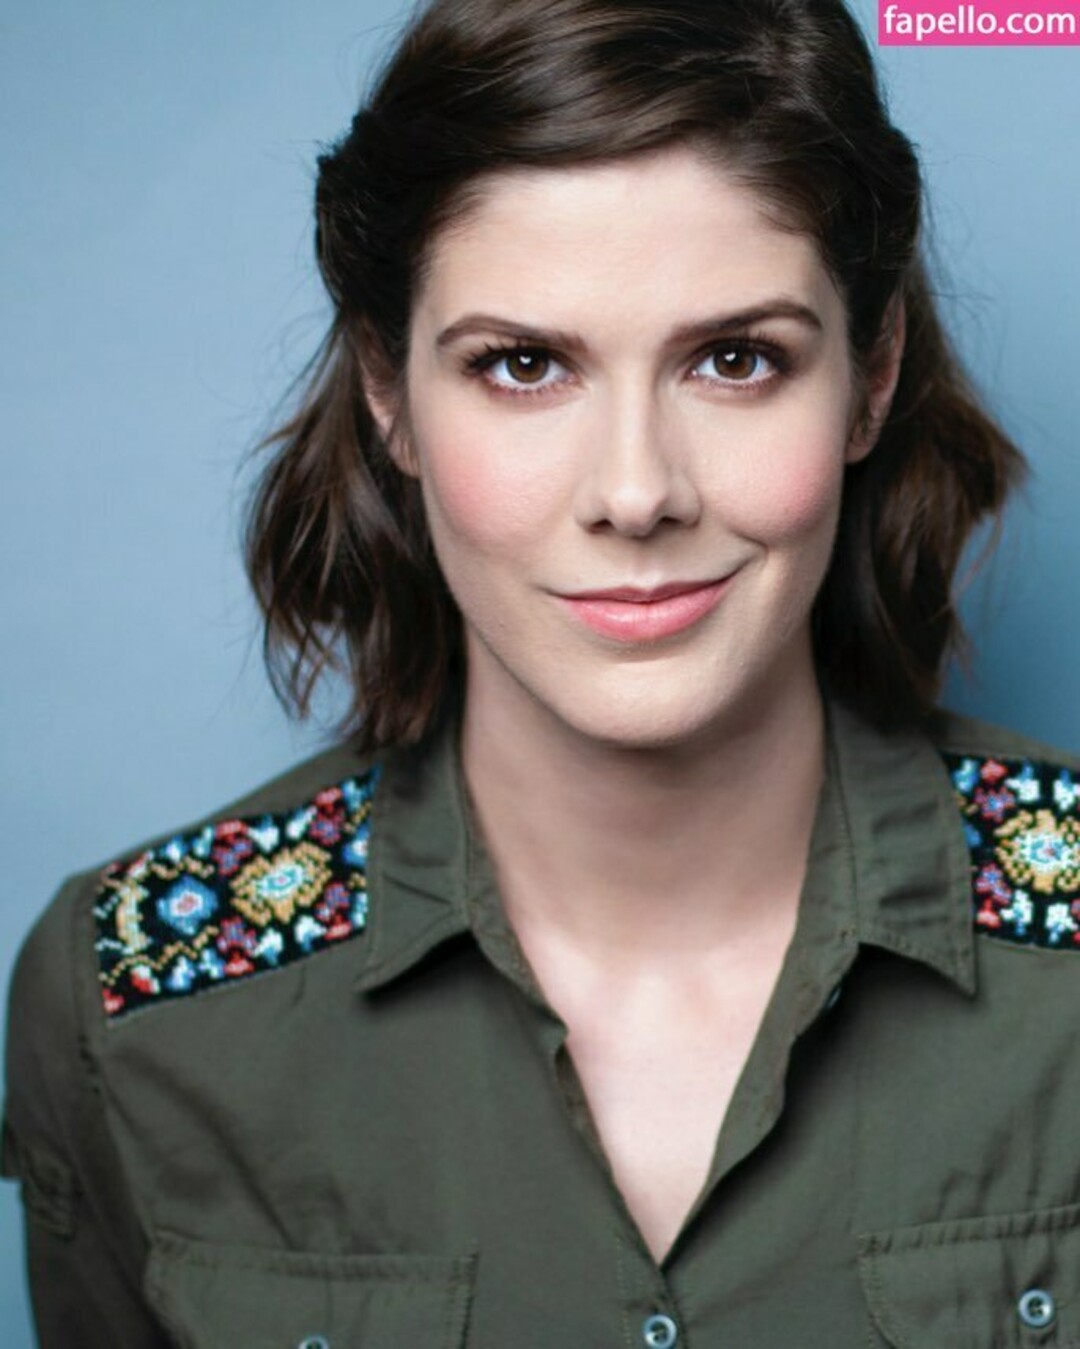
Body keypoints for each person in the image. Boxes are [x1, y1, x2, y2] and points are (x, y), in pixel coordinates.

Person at [5, 0, 1080, 1343]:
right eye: (523, 365)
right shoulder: (134, 998)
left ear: (870, 378)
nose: (634, 491)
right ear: (388, 391)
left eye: (736, 359)